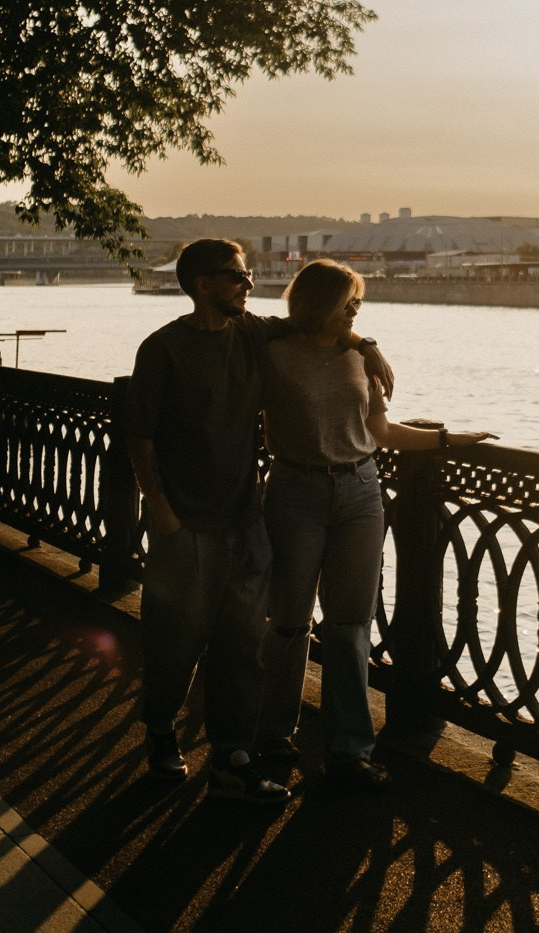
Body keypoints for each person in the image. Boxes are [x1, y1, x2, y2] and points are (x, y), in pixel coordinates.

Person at [124, 238, 390, 804]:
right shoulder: (163, 349)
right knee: (177, 640)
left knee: (241, 645)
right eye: (237, 278)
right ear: (203, 285)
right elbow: (140, 439)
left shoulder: (252, 333)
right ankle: (162, 730)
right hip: (185, 523)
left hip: (246, 519)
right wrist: (161, 512)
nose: (249, 285)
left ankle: (233, 759)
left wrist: (366, 343)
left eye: (247, 278)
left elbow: (318, 321)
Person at [255, 260, 493, 791]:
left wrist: (447, 439)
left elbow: (380, 430)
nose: (356, 312)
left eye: (359, 304)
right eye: (348, 303)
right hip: (296, 489)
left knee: (350, 626)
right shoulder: (273, 353)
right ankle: (272, 732)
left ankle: (350, 751)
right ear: (320, 304)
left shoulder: (358, 359)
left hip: (360, 492)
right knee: (290, 621)